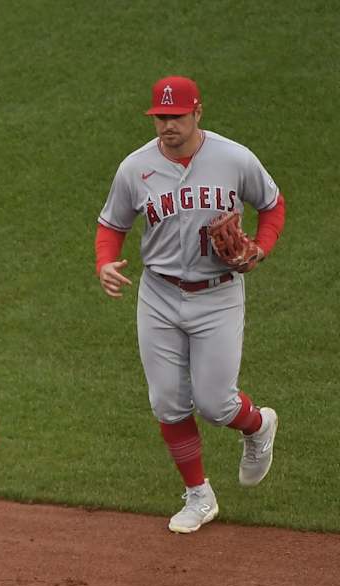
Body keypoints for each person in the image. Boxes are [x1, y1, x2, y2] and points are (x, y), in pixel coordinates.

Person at [96, 75, 286, 533]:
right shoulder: (134, 168)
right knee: (167, 402)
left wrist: (260, 248)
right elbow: (111, 224)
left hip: (217, 295)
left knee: (216, 404)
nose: (167, 126)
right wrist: (104, 262)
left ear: (197, 113)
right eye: (160, 117)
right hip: (158, 294)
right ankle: (199, 494)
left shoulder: (234, 158)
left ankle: (257, 425)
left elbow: (273, 205)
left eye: (176, 117)